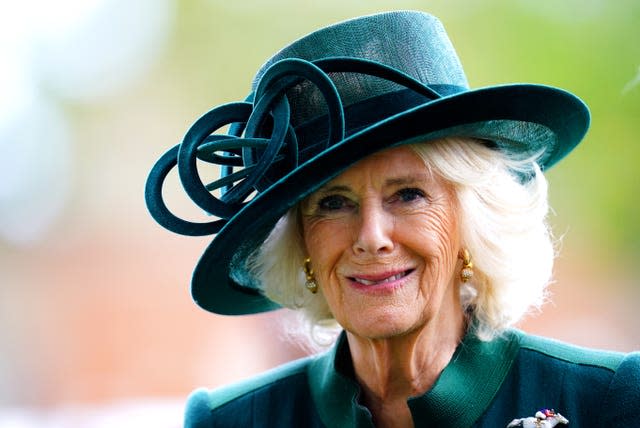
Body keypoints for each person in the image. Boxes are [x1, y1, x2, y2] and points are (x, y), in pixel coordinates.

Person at [145, 11, 640, 427]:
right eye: (333, 204)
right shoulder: (231, 422)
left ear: (472, 220)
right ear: (303, 248)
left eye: (408, 194)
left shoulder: (608, 402)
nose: (372, 237)